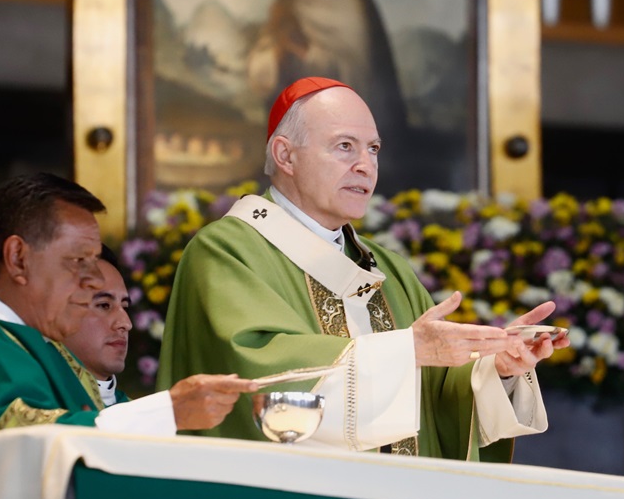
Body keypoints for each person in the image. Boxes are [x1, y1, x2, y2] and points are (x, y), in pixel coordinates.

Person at [158, 78, 568, 461]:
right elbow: (259, 380)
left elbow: (436, 399)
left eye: (373, 149)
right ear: (285, 155)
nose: (365, 165)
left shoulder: (389, 270)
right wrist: (406, 351)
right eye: (344, 146)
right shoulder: (227, 252)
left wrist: (496, 369)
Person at [0, 172, 256, 434]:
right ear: (17, 259)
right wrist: (167, 411)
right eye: (79, 261)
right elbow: (23, 439)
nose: (92, 279)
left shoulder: (41, 347)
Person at [247, 0, 410, 157]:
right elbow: (262, 62)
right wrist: (277, 56)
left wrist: (305, 54)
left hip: (346, 139)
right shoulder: (286, 1)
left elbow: (361, 75)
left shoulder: (352, 1)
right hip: (295, 136)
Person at [61, 245, 131, 407]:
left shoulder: (141, 416)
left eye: (125, 307)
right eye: (104, 305)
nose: (126, 324)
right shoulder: (39, 407)